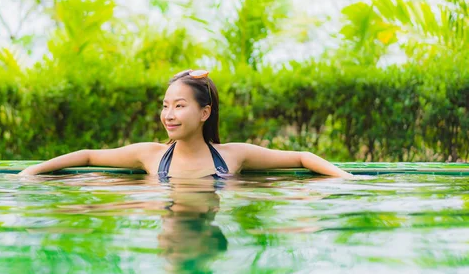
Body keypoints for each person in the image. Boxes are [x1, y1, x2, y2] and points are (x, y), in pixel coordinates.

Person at [19, 69, 353, 179]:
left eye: (180, 106)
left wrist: (347, 180)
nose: (169, 114)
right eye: (165, 106)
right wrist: (29, 173)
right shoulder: (150, 156)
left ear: (204, 113)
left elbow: (300, 158)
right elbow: (89, 156)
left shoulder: (232, 156)